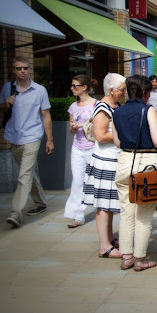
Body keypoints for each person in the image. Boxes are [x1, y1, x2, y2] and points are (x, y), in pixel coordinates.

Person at [113, 75, 157, 272]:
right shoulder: (148, 110)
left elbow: (117, 142)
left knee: (126, 212)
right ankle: (140, 258)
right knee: (143, 215)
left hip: (125, 161)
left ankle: (127, 257)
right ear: (145, 93)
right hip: (146, 163)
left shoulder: (117, 112)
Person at [0, 57, 53, 228]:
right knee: (28, 173)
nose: (22, 71)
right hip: (14, 136)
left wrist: (49, 139)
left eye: (25, 68)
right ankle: (41, 202)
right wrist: (6, 104)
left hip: (33, 136)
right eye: (18, 68)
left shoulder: (39, 90)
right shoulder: (8, 88)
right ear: (13, 71)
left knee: (24, 174)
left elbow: (45, 115)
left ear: (29, 69)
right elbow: (1, 108)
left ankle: (16, 213)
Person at [82, 73, 126, 258]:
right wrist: (123, 135)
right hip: (104, 161)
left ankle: (109, 239)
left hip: (111, 160)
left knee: (108, 203)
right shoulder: (103, 108)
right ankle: (104, 246)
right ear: (111, 90)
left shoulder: (113, 106)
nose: (125, 93)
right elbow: (100, 135)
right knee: (103, 205)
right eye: (122, 90)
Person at [63, 75, 97, 228]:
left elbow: (99, 127)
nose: (72, 89)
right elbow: (71, 130)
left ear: (84, 87)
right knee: (77, 181)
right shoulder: (73, 106)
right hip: (77, 147)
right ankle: (77, 215)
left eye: (75, 86)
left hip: (93, 146)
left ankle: (103, 206)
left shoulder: (96, 105)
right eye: (71, 85)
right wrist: (73, 127)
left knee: (95, 180)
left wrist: (82, 126)